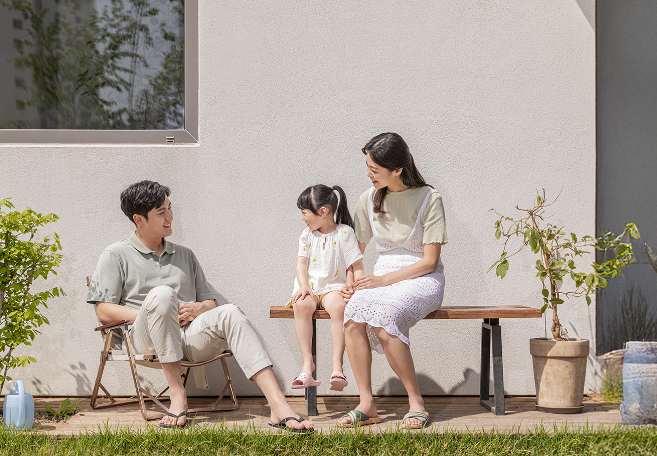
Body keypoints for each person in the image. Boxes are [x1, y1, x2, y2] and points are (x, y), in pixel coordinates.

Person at [88, 180, 315, 433]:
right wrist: (158, 314)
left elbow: (210, 302)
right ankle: (177, 394)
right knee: (163, 295)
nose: (170, 217)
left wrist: (199, 309)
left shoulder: (185, 255)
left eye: (169, 208)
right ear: (139, 219)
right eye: (161, 212)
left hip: (189, 338)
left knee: (230, 312)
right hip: (145, 339)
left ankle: (278, 406)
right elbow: (103, 310)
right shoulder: (115, 254)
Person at [336, 132, 446, 430]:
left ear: (397, 169)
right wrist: (351, 281)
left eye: (374, 169)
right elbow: (354, 253)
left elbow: (429, 261)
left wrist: (382, 280)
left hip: (422, 278)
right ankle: (366, 403)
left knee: (384, 320)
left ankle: (416, 402)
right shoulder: (367, 199)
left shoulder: (429, 199)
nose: (368, 174)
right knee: (352, 316)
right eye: (367, 168)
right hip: (379, 278)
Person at [286, 184, 364, 392]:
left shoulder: (345, 233)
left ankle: (337, 365)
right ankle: (307, 364)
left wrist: (351, 284)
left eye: (304, 213)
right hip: (310, 287)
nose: (302, 218)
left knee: (339, 307)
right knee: (301, 305)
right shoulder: (307, 235)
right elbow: (301, 264)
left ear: (323, 212)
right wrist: (303, 286)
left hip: (333, 288)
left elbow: (354, 265)